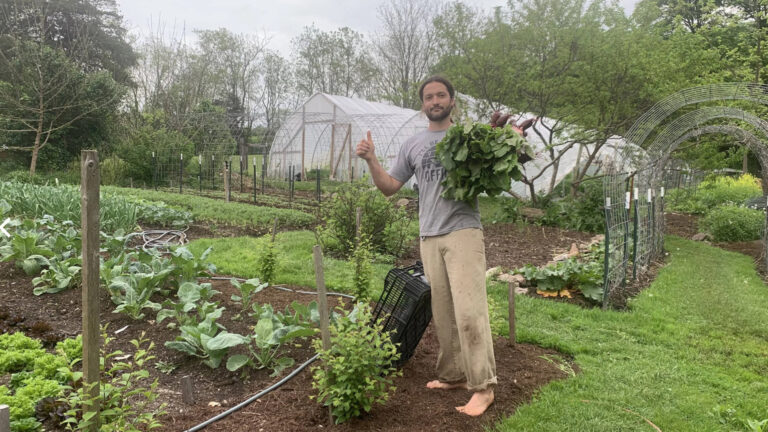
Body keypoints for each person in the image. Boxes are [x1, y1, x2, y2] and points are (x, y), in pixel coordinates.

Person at [356, 75, 519, 416]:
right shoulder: (413, 144)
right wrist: (372, 159)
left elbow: (500, 167)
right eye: (429, 97)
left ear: (452, 101)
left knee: (471, 312)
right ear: (422, 105)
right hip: (429, 235)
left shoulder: (470, 137)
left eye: (441, 95)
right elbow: (389, 188)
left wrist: (511, 140)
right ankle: (454, 375)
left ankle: (484, 387)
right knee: (444, 313)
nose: (435, 101)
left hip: (462, 231)